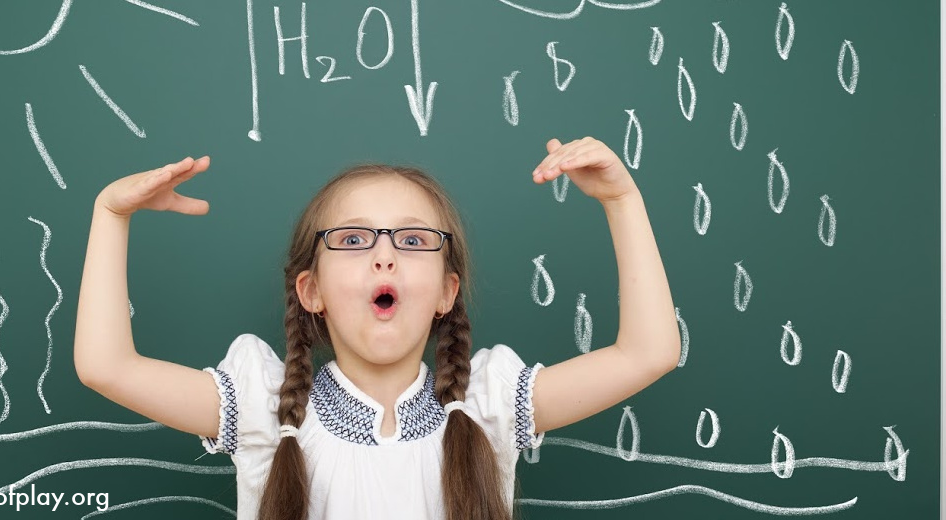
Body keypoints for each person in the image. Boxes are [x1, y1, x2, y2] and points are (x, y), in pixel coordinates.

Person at [73, 136, 681, 520]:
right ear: (311, 291)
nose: (384, 256)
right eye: (354, 240)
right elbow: (106, 367)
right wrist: (110, 215)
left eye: (414, 240)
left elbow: (649, 352)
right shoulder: (263, 409)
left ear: (448, 291)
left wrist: (621, 201)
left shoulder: (489, 404)